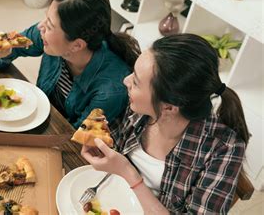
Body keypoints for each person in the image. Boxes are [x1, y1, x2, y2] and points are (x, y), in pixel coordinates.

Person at [81, 33, 250, 214]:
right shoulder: (140, 107)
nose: (126, 81)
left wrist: (129, 173)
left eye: (136, 82)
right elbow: (112, 136)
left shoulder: (224, 148)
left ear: (169, 108)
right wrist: (94, 140)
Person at [0, 0, 140, 128]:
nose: (40, 27)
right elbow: (11, 45)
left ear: (77, 45)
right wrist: (4, 49)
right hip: (42, 116)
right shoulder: (49, 36)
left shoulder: (110, 91)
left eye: (49, 25)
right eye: (46, 19)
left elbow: (75, 138)